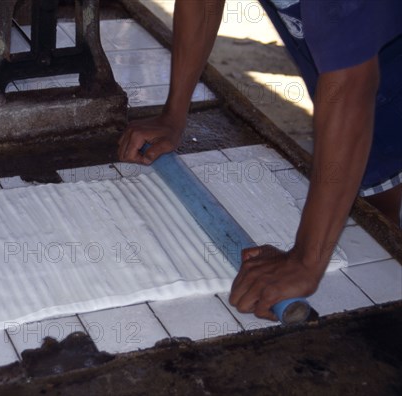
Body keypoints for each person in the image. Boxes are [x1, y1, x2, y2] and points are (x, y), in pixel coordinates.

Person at [117, 0, 402, 321]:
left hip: (367, 73)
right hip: (367, 71)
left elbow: (351, 89)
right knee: (376, 213)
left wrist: (306, 262)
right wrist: (173, 115)